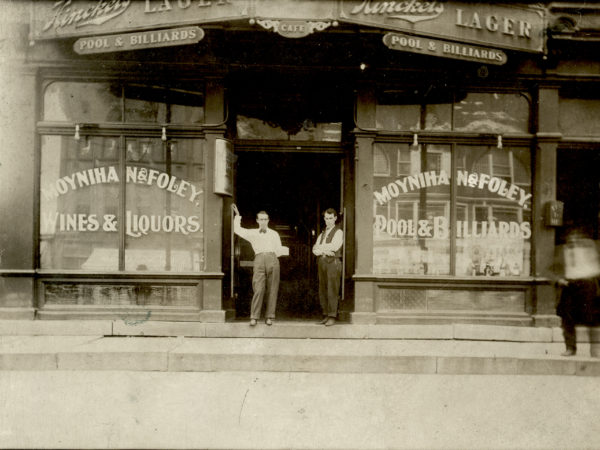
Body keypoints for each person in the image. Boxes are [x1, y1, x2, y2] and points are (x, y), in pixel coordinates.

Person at [233, 206, 286, 326]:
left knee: (272, 289)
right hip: (259, 259)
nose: (263, 221)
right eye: (261, 219)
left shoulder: (274, 234)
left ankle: (269, 317)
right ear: (257, 221)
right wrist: (237, 215)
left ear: (268, 220)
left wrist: (271, 258)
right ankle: (254, 317)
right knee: (258, 288)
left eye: (265, 219)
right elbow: (237, 229)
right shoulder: (252, 233)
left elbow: (279, 249)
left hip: (272, 259)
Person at [555, 229, 600, 357]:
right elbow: (550, 268)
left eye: (577, 237)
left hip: (587, 285)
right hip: (569, 285)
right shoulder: (561, 251)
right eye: (571, 237)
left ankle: (596, 349)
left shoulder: (591, 249)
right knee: (567, 318)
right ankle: (570, 348)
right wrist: (558, 279)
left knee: (592, 317)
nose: (573, 240)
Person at [312, 208, 343, 326]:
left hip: (333, 262)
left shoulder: (338, 232)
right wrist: (324, 248)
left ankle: (332, 316)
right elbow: (314, 249)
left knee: (332, 289)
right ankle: (325, 314)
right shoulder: (322, 233)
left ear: (335, 218)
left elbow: (335, 247)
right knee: (323, 289)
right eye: (326, 218)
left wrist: (321, 248)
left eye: (330, 218)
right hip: (323, 261)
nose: (328, 221)